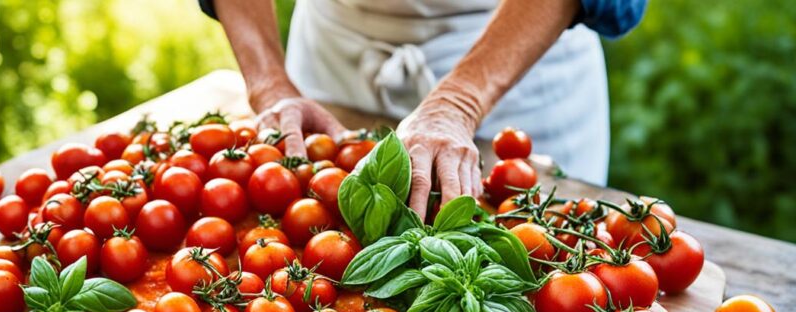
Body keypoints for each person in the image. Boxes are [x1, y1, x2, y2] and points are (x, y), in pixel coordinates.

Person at [198, 0, 646, 217]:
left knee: (531, 254)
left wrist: (460, 100)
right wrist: (269, 84)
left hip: (521, 57)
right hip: (333, 55)